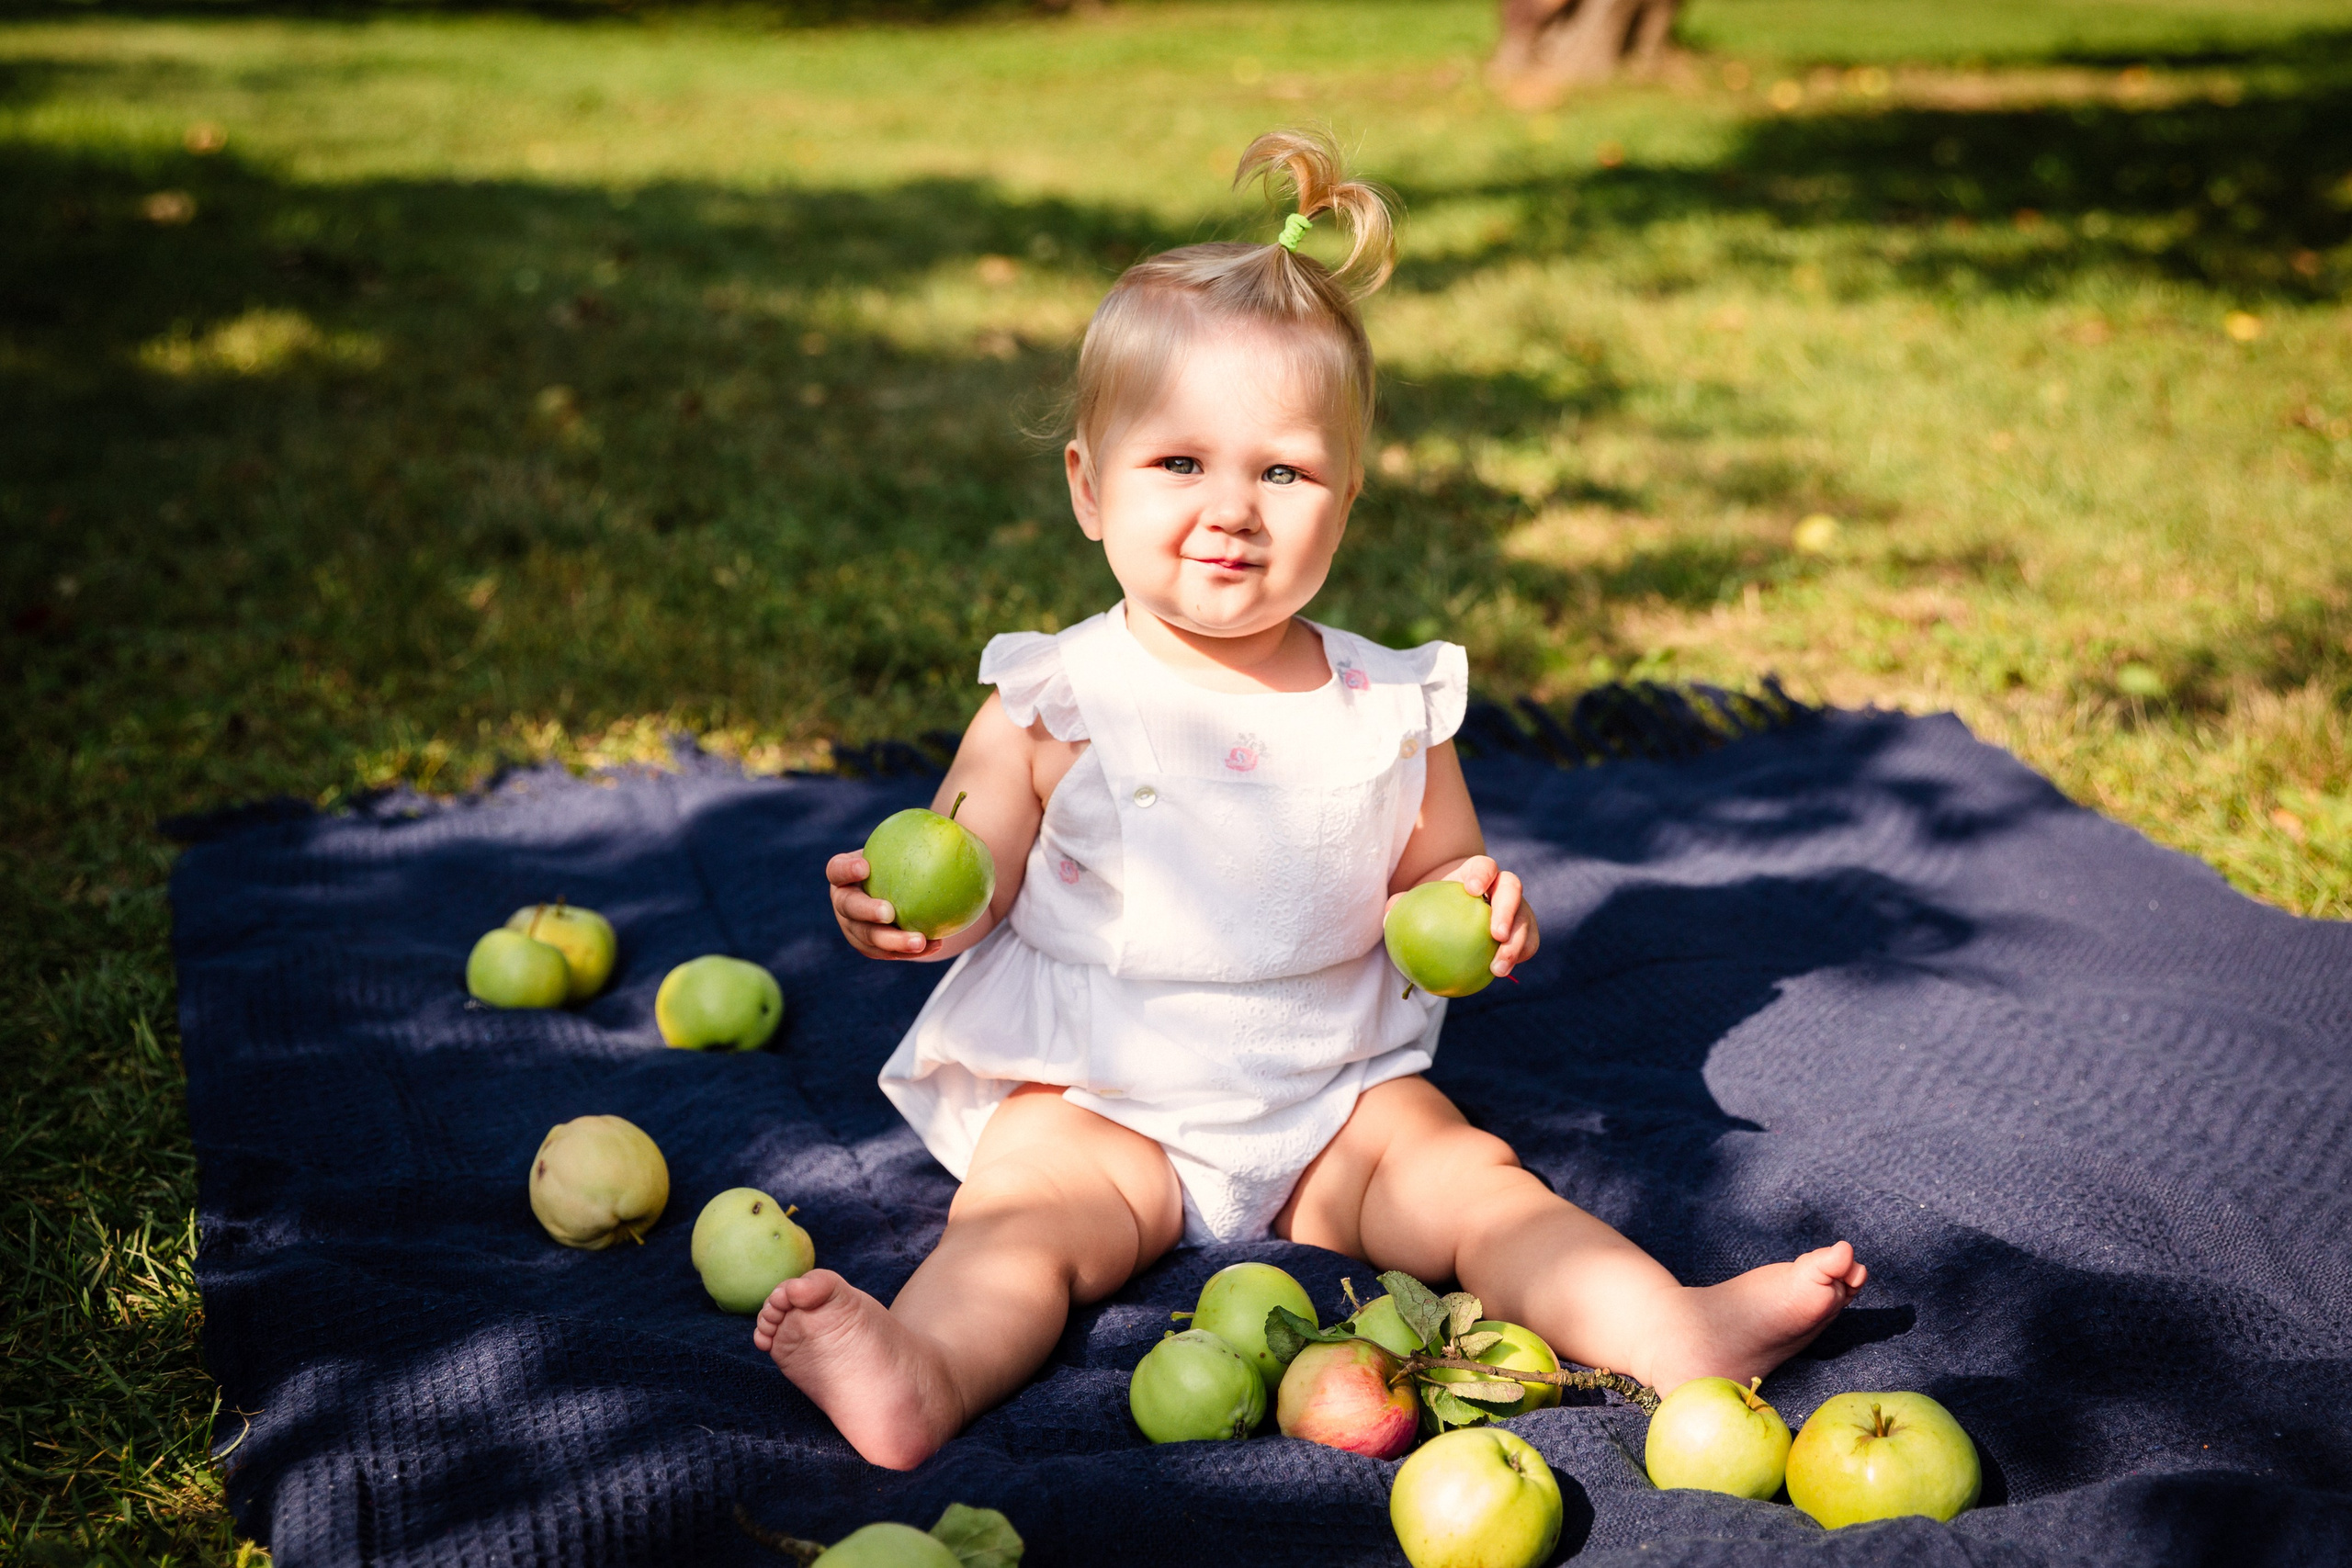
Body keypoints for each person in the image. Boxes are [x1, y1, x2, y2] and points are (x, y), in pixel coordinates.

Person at [756, 128, 1866, 1470]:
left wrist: (1475, 908)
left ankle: (1667, 1329)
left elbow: (1434, 878)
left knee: (1474, 1185)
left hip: (1333, 1099)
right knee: (1020, 1217)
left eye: (1281, 472)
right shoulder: (1057, 693)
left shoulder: (1390, 704)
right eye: (1180, 464)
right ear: (1089, 489)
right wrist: (914, 912)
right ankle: (921, 1371)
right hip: (1102, 1093)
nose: (1233, 507)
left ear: (1345, 501)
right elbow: (972, 853)